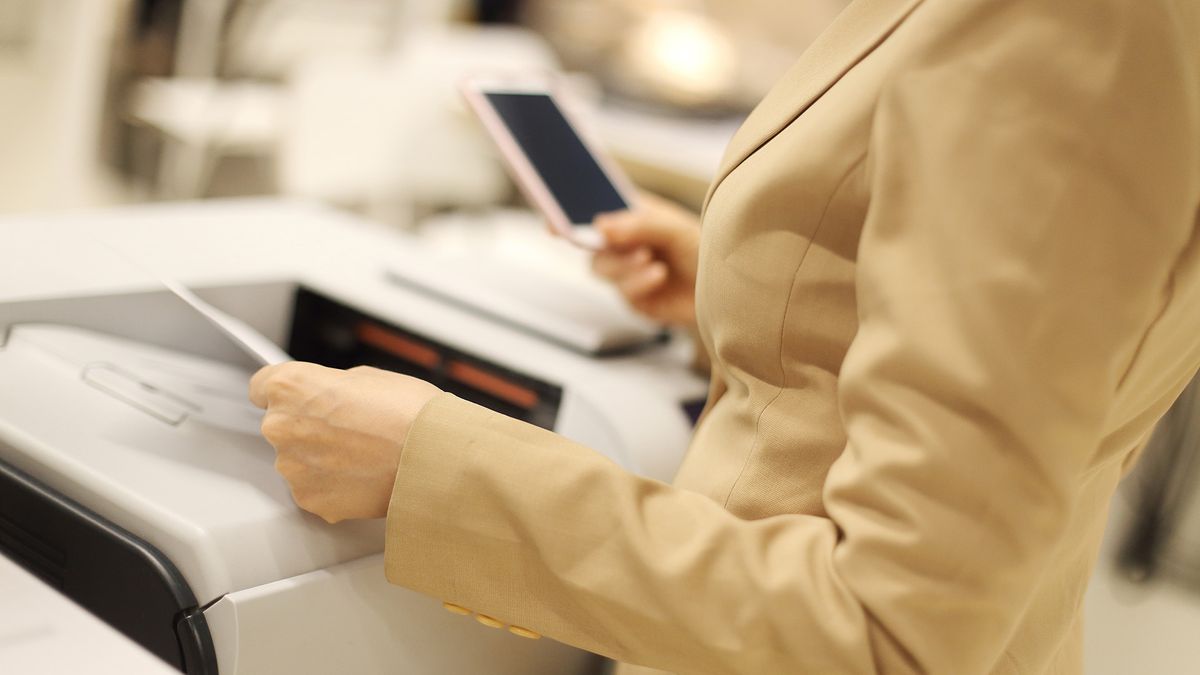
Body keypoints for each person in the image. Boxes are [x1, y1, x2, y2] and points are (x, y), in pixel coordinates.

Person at [248, 0, 1200, 672]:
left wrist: (432, 464)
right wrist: (745, 284)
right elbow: (1043, 342)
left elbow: (891, 634)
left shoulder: (1069, 24)